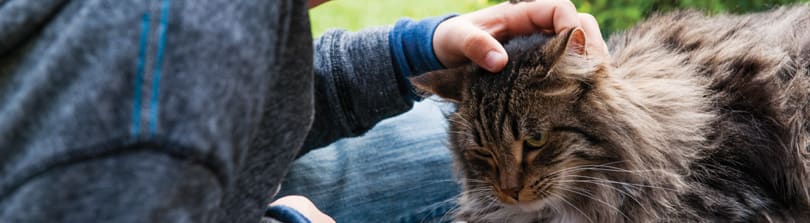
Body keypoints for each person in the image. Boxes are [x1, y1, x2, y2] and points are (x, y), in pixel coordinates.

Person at [0, 0, 606, 223]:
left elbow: (258, 98)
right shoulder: (169, 96)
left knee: (431, 137)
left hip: (214, 178)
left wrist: (413, 49)